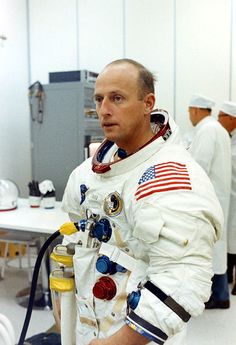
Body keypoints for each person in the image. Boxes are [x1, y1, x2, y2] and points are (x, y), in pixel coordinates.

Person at [61, 59, 223, 345]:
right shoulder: (88, 172)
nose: (104, 110)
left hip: (138, 335)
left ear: (148, 103)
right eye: (99, 99)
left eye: (117, 98)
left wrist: (120, 342)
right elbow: (77, 227)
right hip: (93, 321)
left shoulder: (170, 176)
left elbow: (183, 278)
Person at [188, 94, 231, 309]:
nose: (189, 116)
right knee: (217, 246)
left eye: (189, 111)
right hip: (217, 197)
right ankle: (220, 293)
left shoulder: (206, 130)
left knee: (210, 246)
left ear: (196, 110)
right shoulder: (217, 129)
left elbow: (199, 166)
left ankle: (219, 295)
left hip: (207, 199)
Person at [218, 101, 236, 295]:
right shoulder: (227, 137)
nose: (218, 120)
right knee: (230, 238)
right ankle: (229, 275)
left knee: (235, 238)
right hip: (230, 197)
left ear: (232, 118)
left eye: (221, 116)